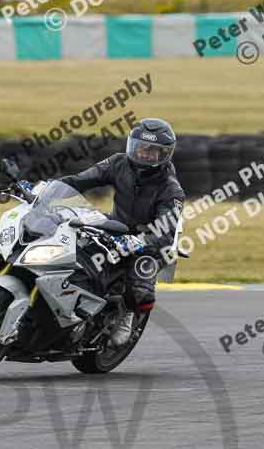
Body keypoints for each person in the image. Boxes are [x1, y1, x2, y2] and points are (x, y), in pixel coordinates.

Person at [59, 118, 185, 346]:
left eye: (154, 151)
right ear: (132, 145)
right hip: (115, 227)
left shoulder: (171, 189)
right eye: (142, 148)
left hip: (148, 243)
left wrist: (140, 242)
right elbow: (81, 180)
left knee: (140, 290)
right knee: (69, 241)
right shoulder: (119, 163)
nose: (146, 155)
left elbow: (164, 232)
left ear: (164, 154)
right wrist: (47, 189)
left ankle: (127, 315)